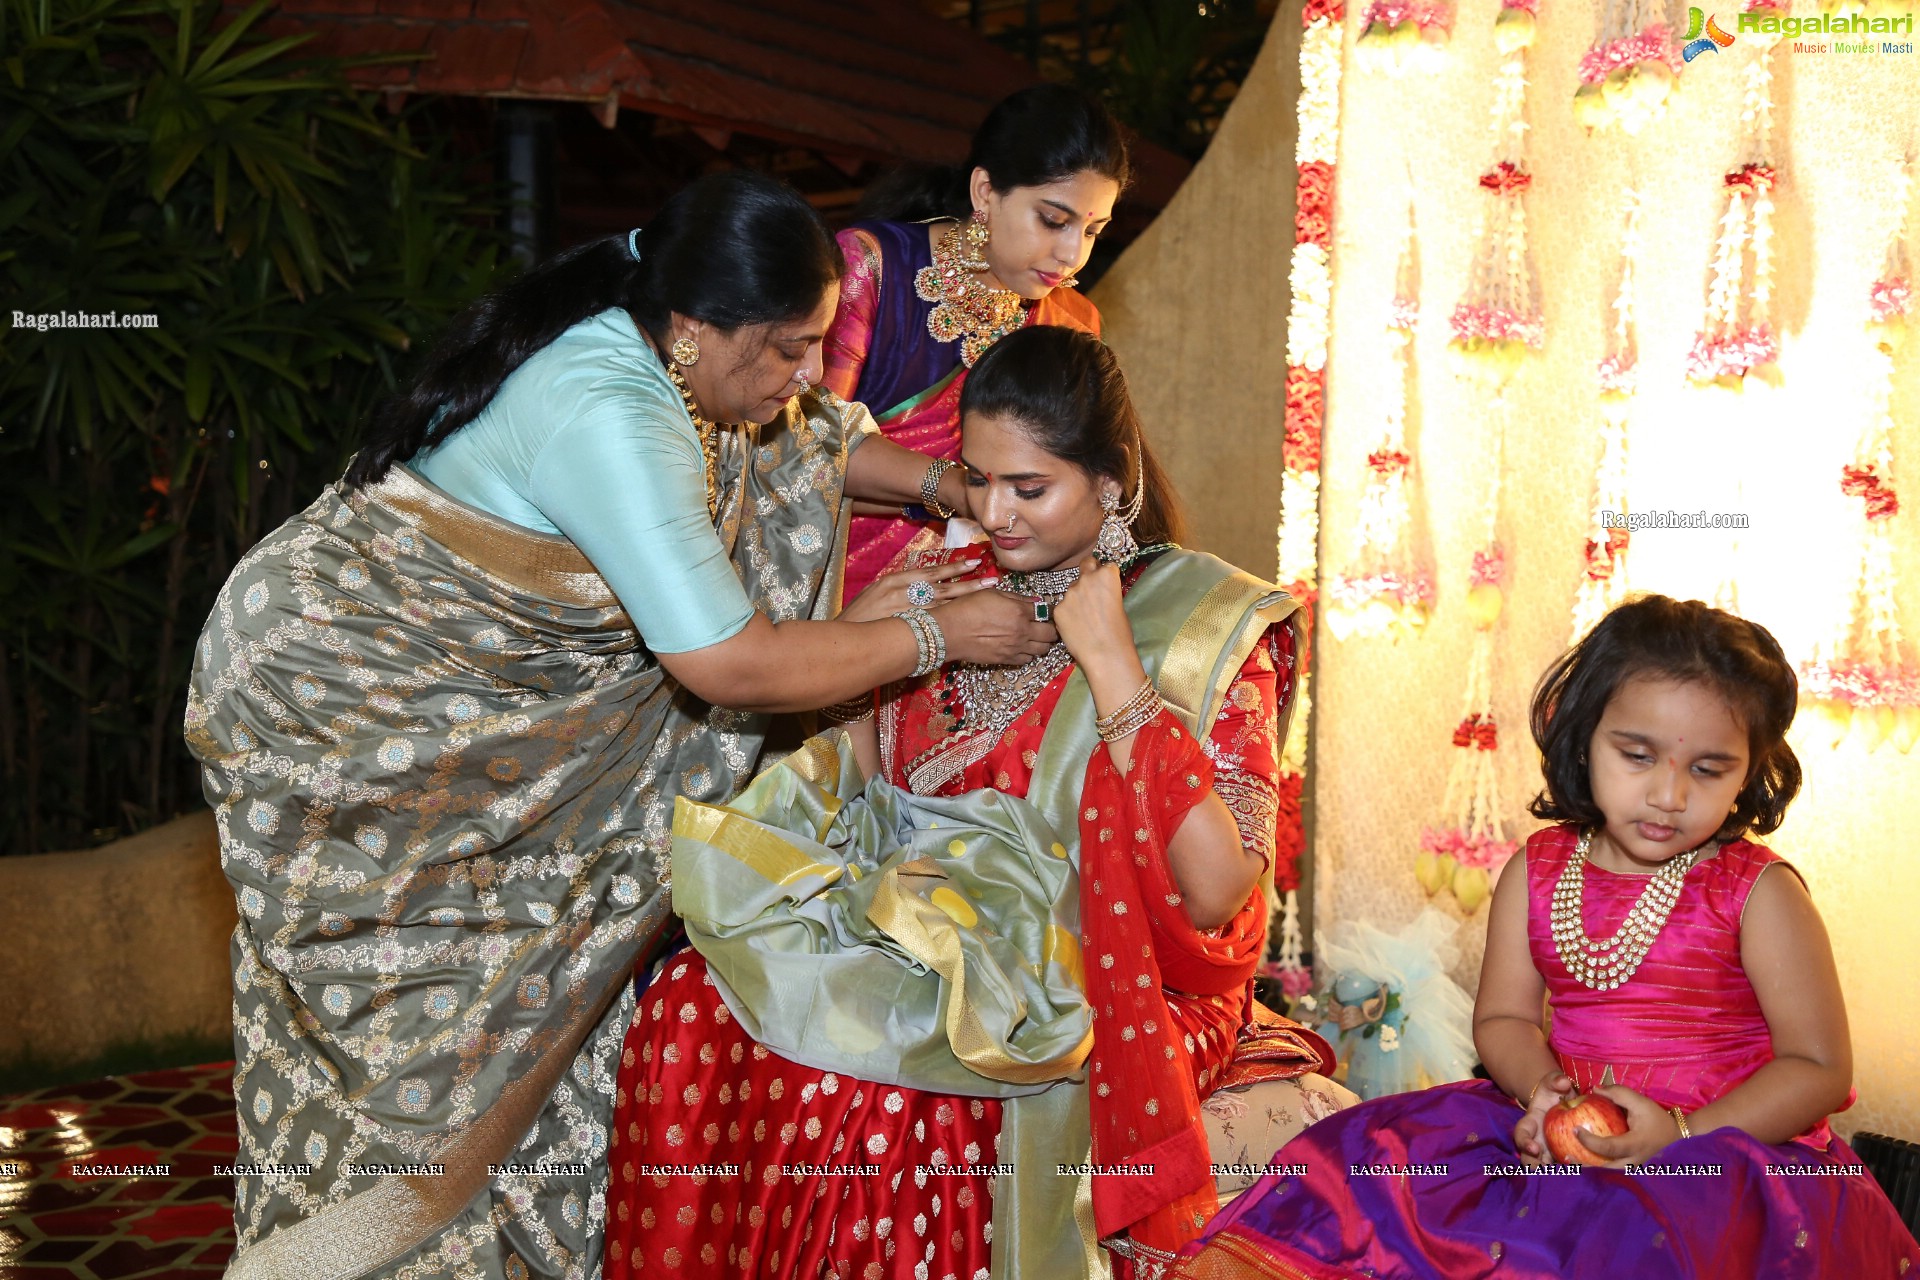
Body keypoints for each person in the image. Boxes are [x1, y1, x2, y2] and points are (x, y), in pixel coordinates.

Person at [184, 169, 1057, 1280]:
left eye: (813, 345)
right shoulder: (613, 411)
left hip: (496, 728)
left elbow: (814, 445)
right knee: (422, 1040)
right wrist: (948, 636)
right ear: (696, 329)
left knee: (536, 1017)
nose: (805, 376)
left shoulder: (689, 359)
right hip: (361, 713)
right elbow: (729, 660)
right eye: (788, 348)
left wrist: (947, 487)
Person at [602, 326, 1351, 1280]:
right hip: (923, 928)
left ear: (1109, 481)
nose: (992, 513)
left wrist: (1115, 669)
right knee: (689, 1004)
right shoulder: (950, 583)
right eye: (976, 477)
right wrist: (868, 640)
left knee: (889, 1098)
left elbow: (1215, 900)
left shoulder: (1200, 623)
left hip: (1097, 974)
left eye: (1028, 489)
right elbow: (867, 802)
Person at [1171, 595, 1920, 1279]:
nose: (1669, 793)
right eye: (1637, 755)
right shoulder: (1541, 868)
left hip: (1727, 1152)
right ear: (1582, 735)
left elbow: (1819, 1067)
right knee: (1370, 1163)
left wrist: (1683, 1133)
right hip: (1562, 1127)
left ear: (1751, 771)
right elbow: (1501, 1019)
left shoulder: (1756, 891)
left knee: (1634, 1236)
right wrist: (1543, 1097)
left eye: (1709, 768)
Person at [825, 83, 1126, 603]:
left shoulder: (1071, 324)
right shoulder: (873, 268)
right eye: (1054, 220)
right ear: (985, 192)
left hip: (997, 599)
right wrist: (960, 488)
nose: (1073, 254)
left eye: (1094, 230)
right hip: (840, 591)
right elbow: (801, 449)